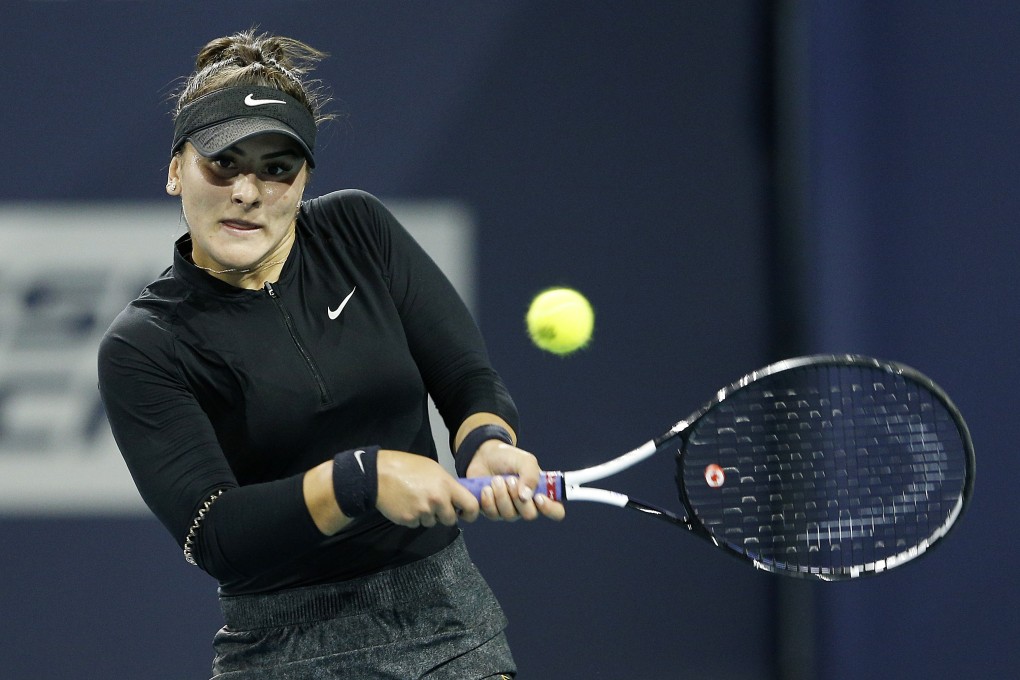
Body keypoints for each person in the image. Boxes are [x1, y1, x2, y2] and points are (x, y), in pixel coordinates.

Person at [98, 29, 564, 679]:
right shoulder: (145, 344)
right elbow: (216, 535)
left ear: (304, 178)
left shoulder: (359, 230)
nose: (247, 191)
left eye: (276, 166)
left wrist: (486, 440)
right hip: (279, 654)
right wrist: (360, 481)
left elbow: (464, 375)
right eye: (223, 162)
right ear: (177, 169)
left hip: (447, 629)